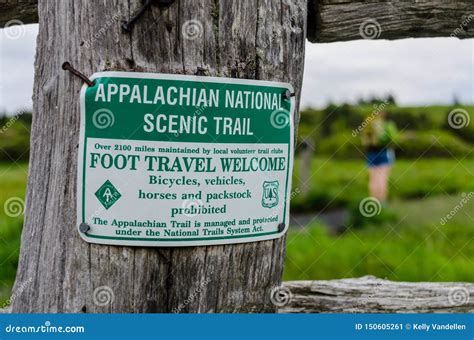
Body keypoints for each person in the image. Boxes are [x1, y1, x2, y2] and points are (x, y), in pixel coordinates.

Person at [361, 111, 398, 204]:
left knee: (373, 180)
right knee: (382, 180)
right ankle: (382, 204)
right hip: (383, 153)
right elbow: (394, 138)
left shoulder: (368, 124)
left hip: (371, 154)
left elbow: (364, 141)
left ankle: (373, 203)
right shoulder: (387, 125)